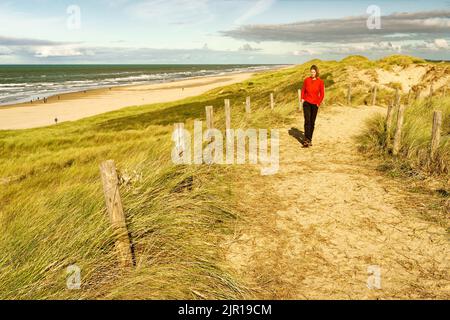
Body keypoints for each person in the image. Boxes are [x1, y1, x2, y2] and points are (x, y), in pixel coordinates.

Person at [301, 65, 325, 148]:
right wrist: (302, 99)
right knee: (307, 121)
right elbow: (303, 90)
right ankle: (306, 140)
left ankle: (309, 139)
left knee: (312, 122)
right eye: (311, 72)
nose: (312, 73)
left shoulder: (320, 82)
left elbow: (322, 94)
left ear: (316, 72)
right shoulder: (306, 80)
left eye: (314, 72)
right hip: (306, 103)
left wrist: (318, 102)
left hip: (315, 104)